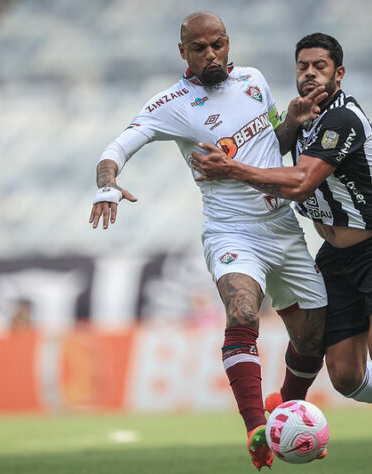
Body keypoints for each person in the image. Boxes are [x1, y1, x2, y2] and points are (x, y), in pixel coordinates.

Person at [88, 12, 329, 470]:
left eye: (218, 44)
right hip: (231, 232)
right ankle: (257, 428)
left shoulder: (255, 80)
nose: (211, 54)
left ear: (228, 41)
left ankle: (285, 408)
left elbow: (272, 146)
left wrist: (293, 122)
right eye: (200, 48)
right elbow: (116, 147)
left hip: (282, 227)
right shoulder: (171, 103)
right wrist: (107, 183)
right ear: (183, 52)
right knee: (241, 313)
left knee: (313, 336)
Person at [191, 32, 372, 473]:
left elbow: (302, 182)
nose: (309, 73)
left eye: (320, 66)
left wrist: (229, 169)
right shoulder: (301, 118)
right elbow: (270, 149)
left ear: (338, 73)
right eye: (302, 66)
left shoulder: (344, 118)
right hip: (335, 258)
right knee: (344, 376)